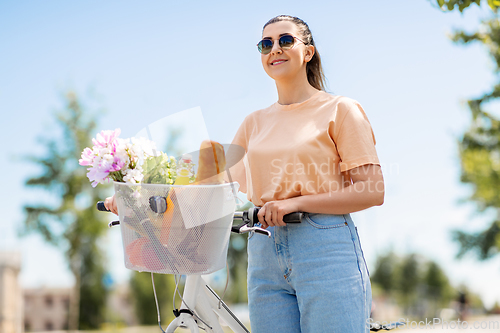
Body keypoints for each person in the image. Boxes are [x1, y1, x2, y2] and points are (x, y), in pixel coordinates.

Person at [226, 15, 384, 333]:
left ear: (308, 52)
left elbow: (372, 191)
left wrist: (296, 203)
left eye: (285, 41)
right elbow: (215, 185)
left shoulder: (341, 110)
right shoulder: (252, 123)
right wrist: (130, 190)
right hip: (263, 250)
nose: (275, 49)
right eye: (265, 44)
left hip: (323, 247)